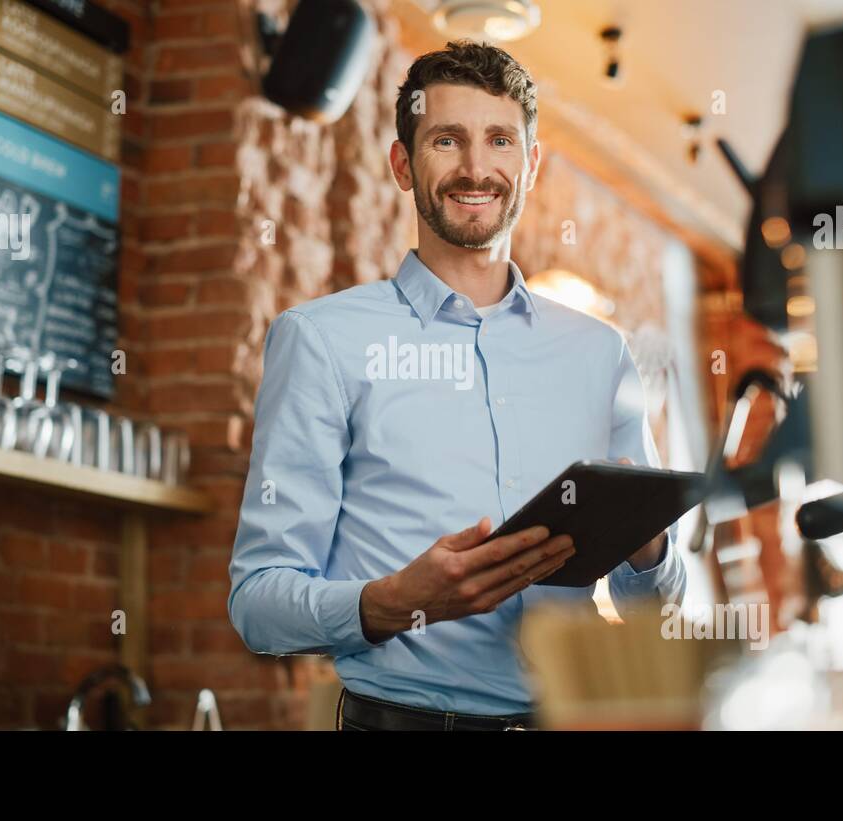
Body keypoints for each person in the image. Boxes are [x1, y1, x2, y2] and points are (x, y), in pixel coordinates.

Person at [228, 40, 685, 731]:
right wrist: (391, 601)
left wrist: (647, 546)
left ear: (528, 165)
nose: (477, 168)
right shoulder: (322, 341)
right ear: (403, 165)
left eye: (500, 140)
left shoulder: (600, 353)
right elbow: (257, 604)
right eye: (448, 139)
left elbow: (657, 606)